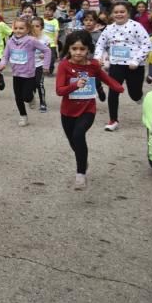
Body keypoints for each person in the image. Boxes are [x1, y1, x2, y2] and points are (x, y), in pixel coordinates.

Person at [56, 31, 124, 190]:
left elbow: (104, 78)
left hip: (87, 110)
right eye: (74, 49)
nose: (78, 52)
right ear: (69, 49)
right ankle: (82, 159)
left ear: (88, 49)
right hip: (67, 112)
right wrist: (75, 85)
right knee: (74, 144)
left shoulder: (93, 65)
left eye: (82, 49)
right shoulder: (64, 65)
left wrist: (117, 87)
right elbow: (59, 90)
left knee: (79, 135)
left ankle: (80, 175)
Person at [95, 1, 151, 132]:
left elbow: (147, 44)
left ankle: (140, 98)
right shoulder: (109, 29)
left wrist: (136, 60)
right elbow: (100, 45)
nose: (119, 14)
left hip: (134, 67)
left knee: (134, 95)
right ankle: (113, 120)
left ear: (128, 13)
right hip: (116, 65)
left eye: (122, 12)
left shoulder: (136, 26)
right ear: (111, 14)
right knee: (113, 91)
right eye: (116, 12)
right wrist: (98, 57)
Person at [0, 17, 51, 127]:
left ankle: (31, 98)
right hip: (16, 74)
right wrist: (3, 63)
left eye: (21, 28)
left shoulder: (31, 41)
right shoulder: (10, 41)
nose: (18, 30)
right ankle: (23, 116)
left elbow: (46, 50)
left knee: (26, 96)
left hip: (28, 74)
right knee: (18, 96)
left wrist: (46, 65)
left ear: (27, 29)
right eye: (16, 28)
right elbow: (5, 55)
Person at [30, 16, 51, 112]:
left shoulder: (46, 38)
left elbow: (48, 51)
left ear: (42, 27)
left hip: (40, 64)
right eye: (32, 26)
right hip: (29, 65)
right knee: (31, 84)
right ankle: (31, 97)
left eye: (37, 26)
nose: (34, 28)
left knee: (40, 83)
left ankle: (43, 103)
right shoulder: (27, 38)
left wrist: (45, 57)